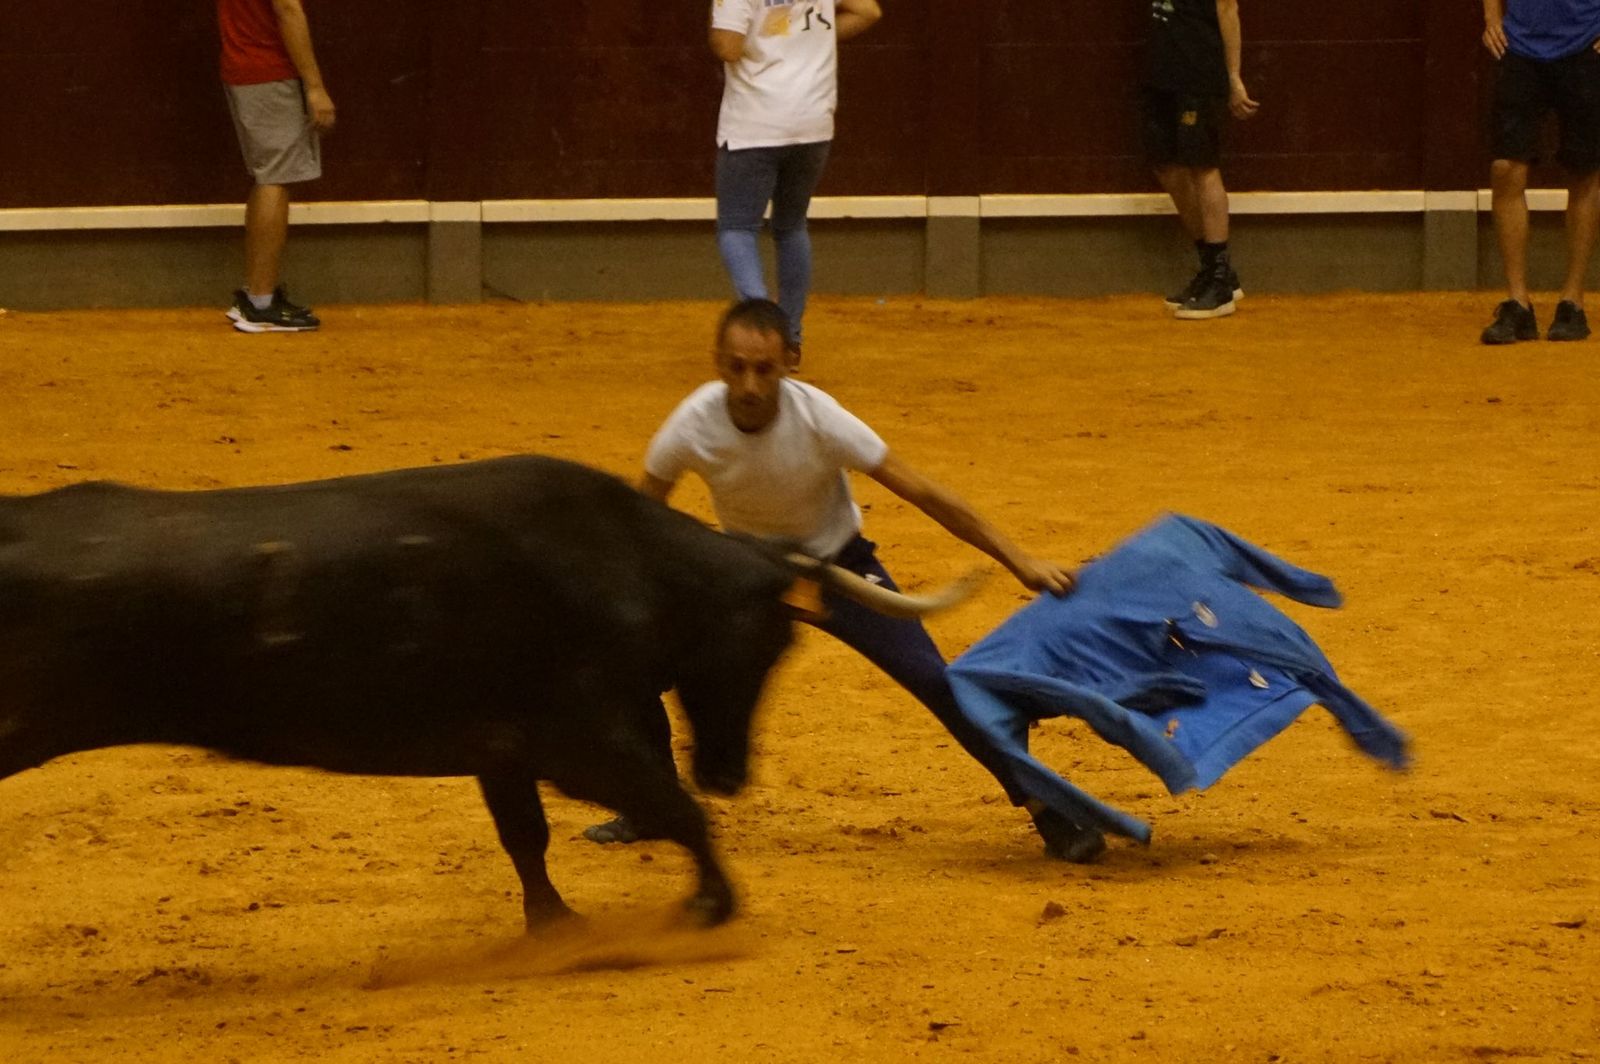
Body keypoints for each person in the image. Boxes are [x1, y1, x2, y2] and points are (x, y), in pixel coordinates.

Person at [581, 298, 1108, 863]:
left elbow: (923, 491)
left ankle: (1043, 806)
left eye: (765, 368)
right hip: (748, 580)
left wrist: (1019, 560)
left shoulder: (821, 418)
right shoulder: (690, 424)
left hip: (841, 570)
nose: (751, 385)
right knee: (630, 668)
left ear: (792, 361)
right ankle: (652, 803)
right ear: (717, 362)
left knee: (937, 683)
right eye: (737, 367)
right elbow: (642, 518)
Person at [709, 0, 883, 365]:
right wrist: (807, 42)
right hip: (812, 123)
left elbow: (728, 46)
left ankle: (765, 334)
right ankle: (790, 339)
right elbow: (868, 12)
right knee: (790, 227)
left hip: (755, 125)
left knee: (737, 229)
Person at [1480, 0, 1600, 345]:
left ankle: (1573, 302)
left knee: (1584, 172)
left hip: (1585, 45)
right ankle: (1517, 303)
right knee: (1505, 168)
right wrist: (1491, 16)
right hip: (1519, 45)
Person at [218, 0, 335, 333]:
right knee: (276, 178)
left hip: (245, 65)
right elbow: (287, 8)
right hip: (270, 69)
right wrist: (314, 86)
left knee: (267, 176)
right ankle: (260, 303)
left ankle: (257, 296)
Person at [1144, 0, 1259, 320]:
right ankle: (1213, 268)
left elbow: (1228, 10)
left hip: (1198, 71)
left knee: (1202, 165)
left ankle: (1220, 282)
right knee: (1166, 167)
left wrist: (1233, 77)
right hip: (1163, 69)